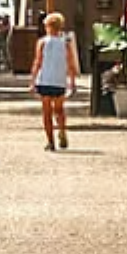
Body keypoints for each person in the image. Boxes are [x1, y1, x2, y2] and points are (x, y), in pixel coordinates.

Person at [31, 12, 76, 151]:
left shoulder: (42, 42)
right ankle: (62, 130)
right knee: (59, 109)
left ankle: (50, 142)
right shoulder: (66, 44)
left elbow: (38, 62)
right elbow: (71, 64)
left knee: (46, 112)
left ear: (48, 26)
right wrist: (72, 82)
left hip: (45, 80)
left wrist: (32, 81)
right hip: (59, 80)